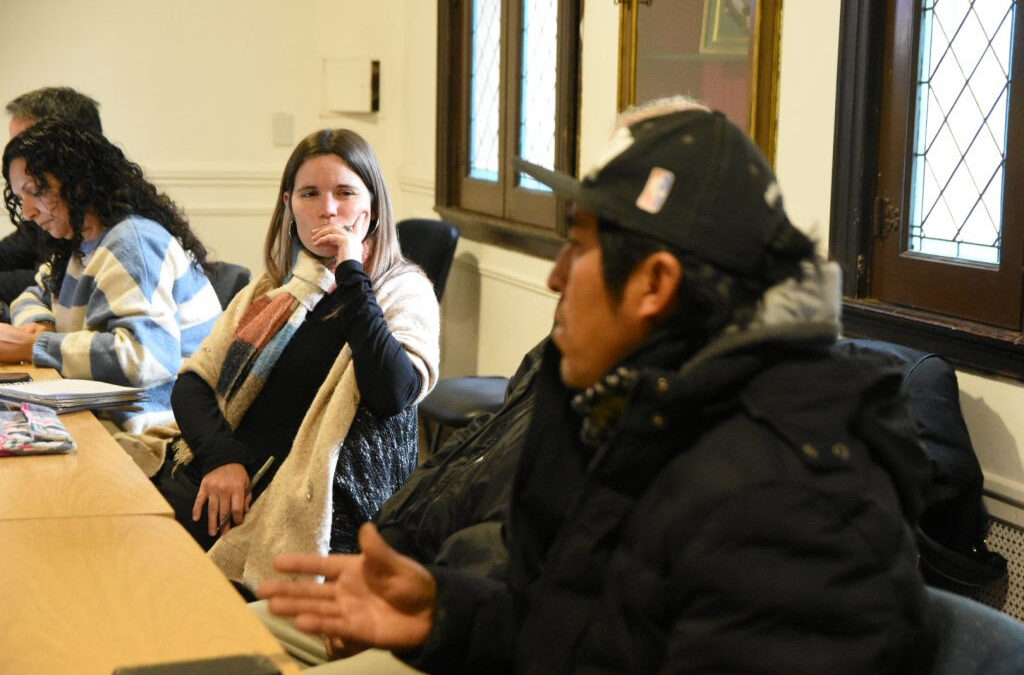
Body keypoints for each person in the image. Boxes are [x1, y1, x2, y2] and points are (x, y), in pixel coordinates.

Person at [259, 103, 936, 674]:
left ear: (655, 285)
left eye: (577, 248)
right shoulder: (640, 409)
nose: (554, 277)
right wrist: (448, 614)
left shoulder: (789, 503)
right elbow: (577, 629)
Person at [151, 128, 439, 595]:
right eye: (310, 194)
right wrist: (222, 458)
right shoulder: (275, 288)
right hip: (230, 480)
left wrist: (352, 274)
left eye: (345, 193)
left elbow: (393, 393)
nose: (328, 208)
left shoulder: (402, 291)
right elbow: (193, 384)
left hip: (317, 504)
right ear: (290, 206)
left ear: (372, 207)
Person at [0, 119, 222, 435]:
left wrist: (33, 345)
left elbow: (144, 357)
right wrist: (44, 325)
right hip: (111, 416)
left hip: (161, 426)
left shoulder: (131, 242)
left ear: (77, 182)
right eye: (21, 198)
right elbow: (31, 294)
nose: (28, 213)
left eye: (35, 191)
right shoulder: (79, 244)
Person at [0, 86, 103, 304]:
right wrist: (37, 321)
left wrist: (34, 338)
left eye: (25, 147)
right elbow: (39, 290)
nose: (27, 214)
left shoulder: (122, 239)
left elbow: (129, 339)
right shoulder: (49, 214)